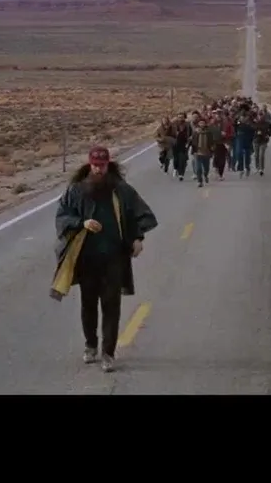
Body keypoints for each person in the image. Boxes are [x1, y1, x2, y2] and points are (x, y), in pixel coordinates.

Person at [51, 145, 159, 372]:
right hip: (86, 258)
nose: (98, 170)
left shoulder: (122, 190)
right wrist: (82, 223)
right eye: (95, 165)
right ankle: (90, 345)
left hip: (114, 258)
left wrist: (137, 238)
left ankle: (108, 353)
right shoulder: (76, 191)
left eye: (102, 165)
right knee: (88, 304)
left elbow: (139, 215)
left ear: (108, 164)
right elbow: (62, 217)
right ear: (89, 164)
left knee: (111, 306)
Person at [188, 114, 215, 186]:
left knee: (206, 168)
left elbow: (211, 142)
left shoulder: (208, 132)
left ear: (205, 124)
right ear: (198, 124)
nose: (202, 124)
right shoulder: (196, 132)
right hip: (198, 152)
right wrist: (192, 150)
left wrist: (212, 149)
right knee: (198, 168)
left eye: (203, 123)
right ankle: (200, 181)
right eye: (200, 123)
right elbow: (193, 142)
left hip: (206, 152)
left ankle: (205, 175)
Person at [170, 114, 191, 181]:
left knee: (182, 159)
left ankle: (181, 174)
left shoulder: (187, 125)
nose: (180, 119)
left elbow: (191, 134)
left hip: (184, 144)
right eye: (179, 117)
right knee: (176, 159)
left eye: (182, 117)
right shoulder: (173, 125)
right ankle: (175, 168)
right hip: (175, 144)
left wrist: (189, 141)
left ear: (184, 118)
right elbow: (169, 134)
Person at [233, 112, 255, 177]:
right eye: (241, 117)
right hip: (240, 140)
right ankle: (241, 169)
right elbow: (234, 125)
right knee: (239, 153)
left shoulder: (250, 125)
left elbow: (253, 132)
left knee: (247, 155)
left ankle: (247, 167)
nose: (242, 119)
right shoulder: (238, 124)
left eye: (244, 117)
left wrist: (252, 141)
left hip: (248, 141)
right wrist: (236, 118)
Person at [253, 112, 271, 176]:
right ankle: (257, 167)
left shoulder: (267, 123)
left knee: (261, 155)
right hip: (256, 140)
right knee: (256, 155)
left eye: (261, 115)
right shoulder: (255, 123)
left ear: (263, 116)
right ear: (258, 116)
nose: (260, 117)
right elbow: (250, 129)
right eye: (259, 115)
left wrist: (269, 134)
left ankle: (261, 169)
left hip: (264, 141)